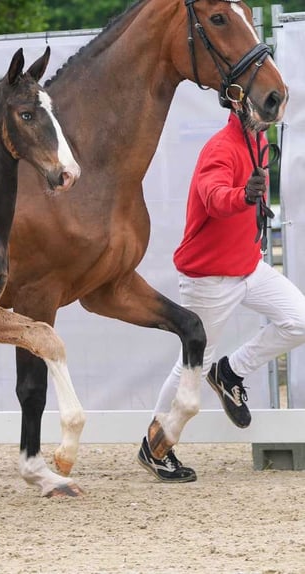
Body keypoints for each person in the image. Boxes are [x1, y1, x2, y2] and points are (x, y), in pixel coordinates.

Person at [137, 100, 305, 483]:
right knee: (191, 364)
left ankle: (230, 372)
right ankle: (155, 446)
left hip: (248, 265)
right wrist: (243, 195)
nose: (270, 110)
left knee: (299, 320)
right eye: (263, 105)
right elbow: (213, 196)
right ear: (239, 105)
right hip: (209, 277)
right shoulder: (221, 147)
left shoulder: (257, 143)